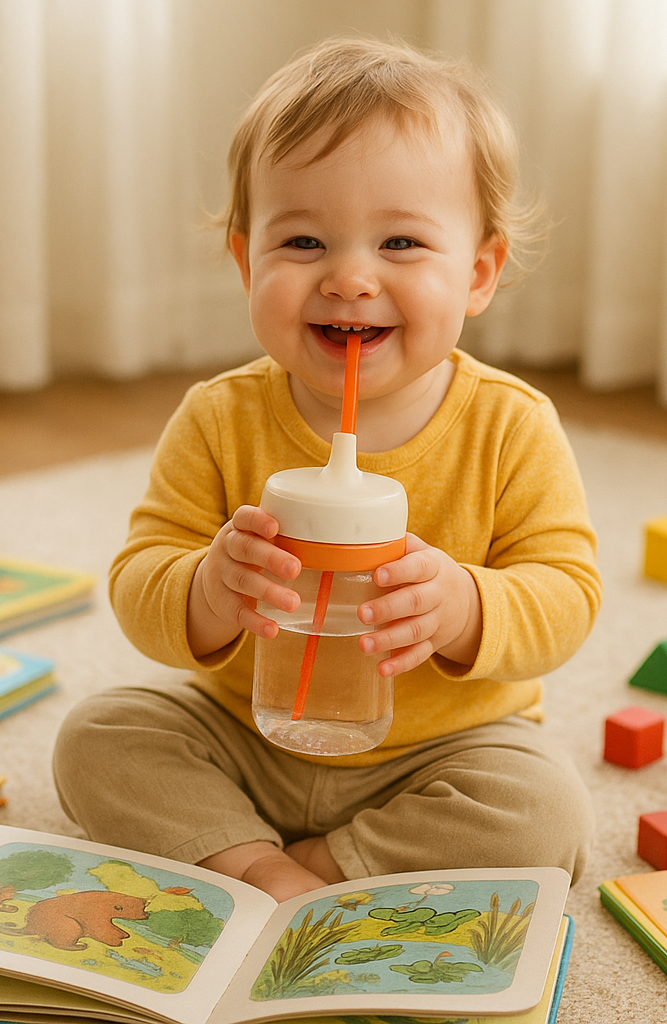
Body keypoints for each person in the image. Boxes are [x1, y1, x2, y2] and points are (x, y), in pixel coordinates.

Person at [53, 35, 601, 902]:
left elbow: (568, 596)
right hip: (244, 734)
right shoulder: (219, 417)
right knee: (100, 735)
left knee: (543, 814)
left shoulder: (509, 427)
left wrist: (463, 604)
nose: (349, 278)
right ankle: (257, 860)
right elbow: (138, 578)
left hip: (440, 756)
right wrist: (207, 589)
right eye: (304, 241)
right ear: (246, 260)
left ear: (480, 274)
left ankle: (306, 869)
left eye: (402, 244)